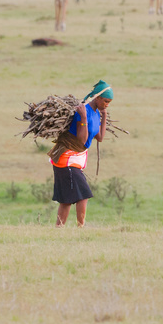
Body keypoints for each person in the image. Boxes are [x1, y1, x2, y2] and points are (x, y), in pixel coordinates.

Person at [49, 80, 113, 227]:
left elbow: (100, 138)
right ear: (97, 98)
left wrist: (103, 117)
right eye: (105, 101)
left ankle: (59, 228)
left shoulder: (96, 113)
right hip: (67, 158)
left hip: (74, 159)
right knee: (83, 194)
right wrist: (83, 118)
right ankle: (81, 227)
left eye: (109, 102)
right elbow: (82, 140)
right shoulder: (83, 112)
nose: (107, 104)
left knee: (66, 200)